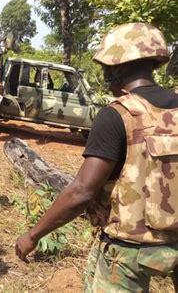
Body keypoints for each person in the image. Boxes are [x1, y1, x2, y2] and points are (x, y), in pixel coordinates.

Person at [14, 23, 178, 292]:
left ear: (118, 67)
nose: (105, 73)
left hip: (128, 252)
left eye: (107, 67)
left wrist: (32, 236)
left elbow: (82, 191)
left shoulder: (117, 115)